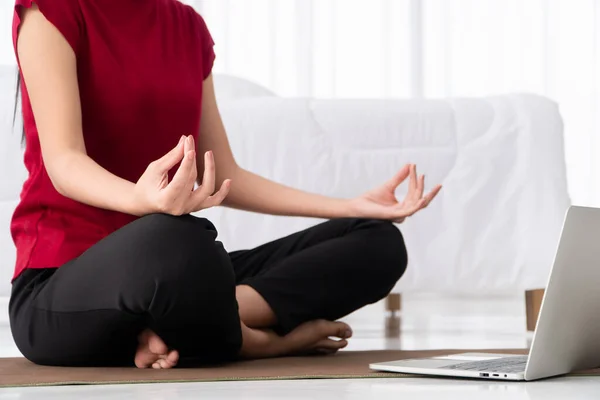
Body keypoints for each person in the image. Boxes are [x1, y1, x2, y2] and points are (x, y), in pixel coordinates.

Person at [9, 0, 442, 370]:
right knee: (179, 237)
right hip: (60, 285)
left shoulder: (187, 27)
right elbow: (64, 161)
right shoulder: (52, 10)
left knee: (379, 242)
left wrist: (352, 206)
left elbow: (226, 175)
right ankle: (256, 341)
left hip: (179, 277)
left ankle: (184, 322)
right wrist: (139, 199)